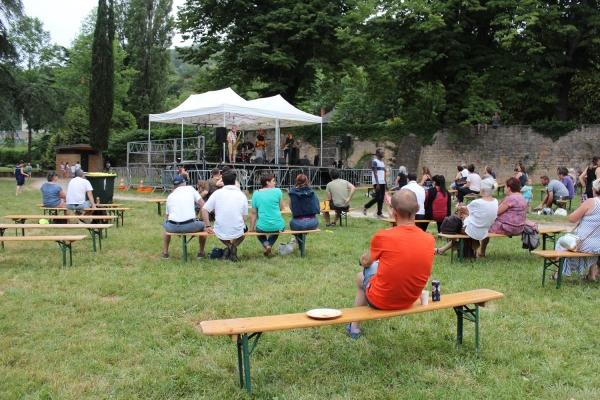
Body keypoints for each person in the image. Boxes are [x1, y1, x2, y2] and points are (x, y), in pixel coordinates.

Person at [346, 190, 435, 339]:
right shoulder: (429, 239)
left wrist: (363, 259)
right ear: (418, 209)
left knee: (361, 276)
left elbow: (366, 262)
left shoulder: (383, 236)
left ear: (394, 213)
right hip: (410, 299)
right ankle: (365, 319)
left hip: (380, 300)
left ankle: (355, 326)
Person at [552, 178, 600, 281]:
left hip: (585, 243)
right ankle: (592, 274)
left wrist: (583, 206)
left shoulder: (591, 202)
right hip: (598, 244)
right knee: (595, 242)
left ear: (595, 190)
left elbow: (572, 219)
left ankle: (557, 273)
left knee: (561, 242)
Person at [436, 178, 498, 256]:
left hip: (472, 230)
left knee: (458, 214)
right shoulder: (495, 201)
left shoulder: (477, 202)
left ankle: (445, 248)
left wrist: (458, 206)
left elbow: (463, 208)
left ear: (482, 190)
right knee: (462, 216)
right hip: (484, 231)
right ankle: (442, 250)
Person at [202, 170, 248, 262]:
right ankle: (233, 247)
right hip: (237, 227)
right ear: (235, 180)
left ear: (222, 180)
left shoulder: (217, 193)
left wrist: (208, 226)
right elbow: (245, 218)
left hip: (221, 227)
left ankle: (229, 247)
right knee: (242, 233)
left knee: (218, 231)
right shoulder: (241, 195)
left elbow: (204, 210)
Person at [478, 177, 527, 257]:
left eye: (505, 187)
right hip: (520, 227)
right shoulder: (521, 197)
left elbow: (496, 212)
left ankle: (481, 252)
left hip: (509, 227)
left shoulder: (510, 199)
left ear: (509, 188)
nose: (504, 189)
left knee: (484, 226)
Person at [161, 175, 207, 259]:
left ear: (174, 186)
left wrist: (174, 227)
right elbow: (203, 205)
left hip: (172, 226)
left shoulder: (170, 196)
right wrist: (201, 219)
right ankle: (201, 252)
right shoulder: (190, 189)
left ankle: (165, 253)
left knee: (165, 226)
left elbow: (167, 216)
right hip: (190, 225)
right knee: (204, 226)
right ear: (184, 183)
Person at [250, 173, 285, 257]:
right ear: (267, 183)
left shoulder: (256, 194)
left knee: (259, 232)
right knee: (276, 231)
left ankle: (267, 245)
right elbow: (281, 207)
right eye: (273, 181)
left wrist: (251, 228)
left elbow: (254, 213)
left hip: (262, 226)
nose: (275, 183)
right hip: (278, 225)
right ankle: (269, 246)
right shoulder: (277, 191)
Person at [288, 174, 320, 244]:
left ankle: (298, 240)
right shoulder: (312, 192)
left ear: (296, 181)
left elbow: (291, 208)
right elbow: (317, 203)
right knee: (303, 227)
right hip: (313, 222)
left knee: (294, 223)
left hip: (298, 223)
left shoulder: (292, 193)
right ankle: (299, 243)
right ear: (307, 181)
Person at [362, 148, 386, 218]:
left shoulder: (382, 162)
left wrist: (386, 183)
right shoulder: (375, 162)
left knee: (381, 198)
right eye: (381, 153)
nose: (383, 154)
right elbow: (375, 173)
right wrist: (377, 183)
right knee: (378, 198)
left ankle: (379, 213)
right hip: (377, 182)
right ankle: (365, 206)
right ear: (377, 154)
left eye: (383, 152)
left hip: (382, 182)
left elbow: (383, 173)